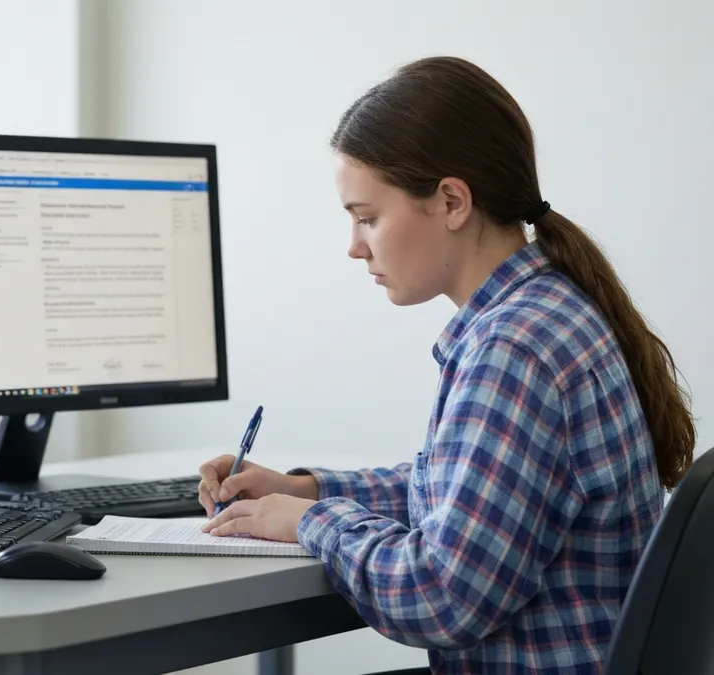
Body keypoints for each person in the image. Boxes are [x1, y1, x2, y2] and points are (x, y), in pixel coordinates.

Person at [197, 55, 696, 674]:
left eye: (367, 218)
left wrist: (313, 522)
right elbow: (466, 499)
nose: (354, 247)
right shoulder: (546, 309)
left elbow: (441, 598)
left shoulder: (515, 349)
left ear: (452, 201)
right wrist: (307, 489)